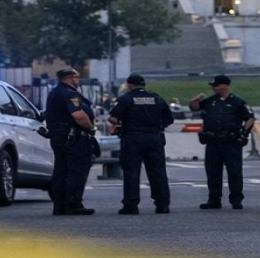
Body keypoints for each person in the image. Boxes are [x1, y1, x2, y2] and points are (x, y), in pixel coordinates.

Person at [107, 73, 174, 214]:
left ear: (130, 85)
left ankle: (131, 205)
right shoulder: (156, 98)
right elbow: (169, 119)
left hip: (133, 139)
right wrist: (157, 126)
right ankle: (162, 204)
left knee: (131, 172)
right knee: (158, 172)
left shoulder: (126, 99)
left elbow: (113, 119)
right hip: (154, 138)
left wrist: (121, 124)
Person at [190, 74, 255, 209]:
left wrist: (244, 133)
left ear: (224, 86)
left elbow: (249, 118)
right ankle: (214, 199)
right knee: (213, 172)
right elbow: (195, 108)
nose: (213, 89)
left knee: (234, 172)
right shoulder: (210, 101)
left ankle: (236, 199)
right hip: (213, 141)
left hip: (231, 142)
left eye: (216, 86)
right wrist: (194, 101)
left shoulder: (237, 102)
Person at [43, 67, 96, 215]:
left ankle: (60, 205)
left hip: (60, 138)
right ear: (72, 78)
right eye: (76, 78)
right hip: (73, 139)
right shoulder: (70, 93)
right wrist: (91, 128)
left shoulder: (55, 93)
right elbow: (78, 114)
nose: (77, 81)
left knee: (61, 171)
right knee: (76, 171)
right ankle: (73, 204)